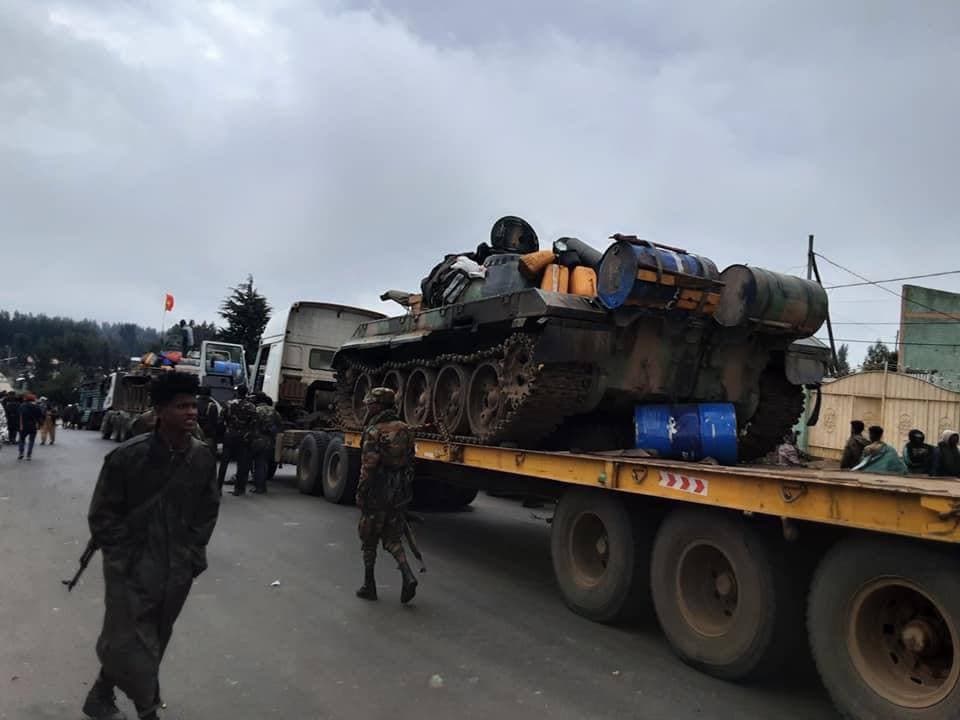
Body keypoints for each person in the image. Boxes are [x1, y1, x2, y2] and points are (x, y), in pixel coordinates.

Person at [81, 371, 219, 720]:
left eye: (193, 405)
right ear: (159, 411)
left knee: (153, 637)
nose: (192, 412)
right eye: (181, 406)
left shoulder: (202, 458)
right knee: (131, 638)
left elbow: (207, 510)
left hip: (176, 567)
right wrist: (124, 557)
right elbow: (102, 515)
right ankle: (148, 710)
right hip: (131, 565)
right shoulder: (127, 457)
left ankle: (100, 696)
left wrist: (193, 554)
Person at [355, 387, 418, 604]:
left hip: (377, 490)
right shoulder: (406, 429)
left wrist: (361, 492)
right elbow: (411, 460)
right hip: (399, 490)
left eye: (371, 404)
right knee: (392, 537)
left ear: (379, 406)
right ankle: (407, 574)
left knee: (368, 536)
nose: (368, 407)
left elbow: (369, 466)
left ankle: (369, 585)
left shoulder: (374, 431)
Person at [217, 385, 257, 496]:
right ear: (246, 393)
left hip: (229, 435)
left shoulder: (228, 404)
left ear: (237, 392)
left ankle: (218, 487)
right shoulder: (251, 406)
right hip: (243, 437)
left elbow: (221, 420)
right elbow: (254, 423)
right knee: (242, 463)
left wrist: (221, 435)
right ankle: (239, 489)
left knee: (224, 463)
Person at [250, 393, 281, 494]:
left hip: (256, 440)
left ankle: (256, 486)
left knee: (255, 464)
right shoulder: (274, 411)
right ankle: (262, 487)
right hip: (269, 441)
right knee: (263, 464)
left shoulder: (255, 410)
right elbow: (279, 425)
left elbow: (250, 424)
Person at [18, 393, 44, 460]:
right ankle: (28, 455)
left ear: (26, 399)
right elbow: (40, 417)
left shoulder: (22, 406)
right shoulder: (37, 407)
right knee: (31, 440)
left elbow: (20, 416)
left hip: (23, 425)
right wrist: (40, 424)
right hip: (33, 425)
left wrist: (20, 425)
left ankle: (21, 453)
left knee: (21, 440)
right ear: (33, 399)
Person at [196, 387, 220, 457]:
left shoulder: (194, 403)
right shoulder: (212, 405)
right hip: (208, 435)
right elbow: (215, 422)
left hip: (195, 433)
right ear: (209, 394)